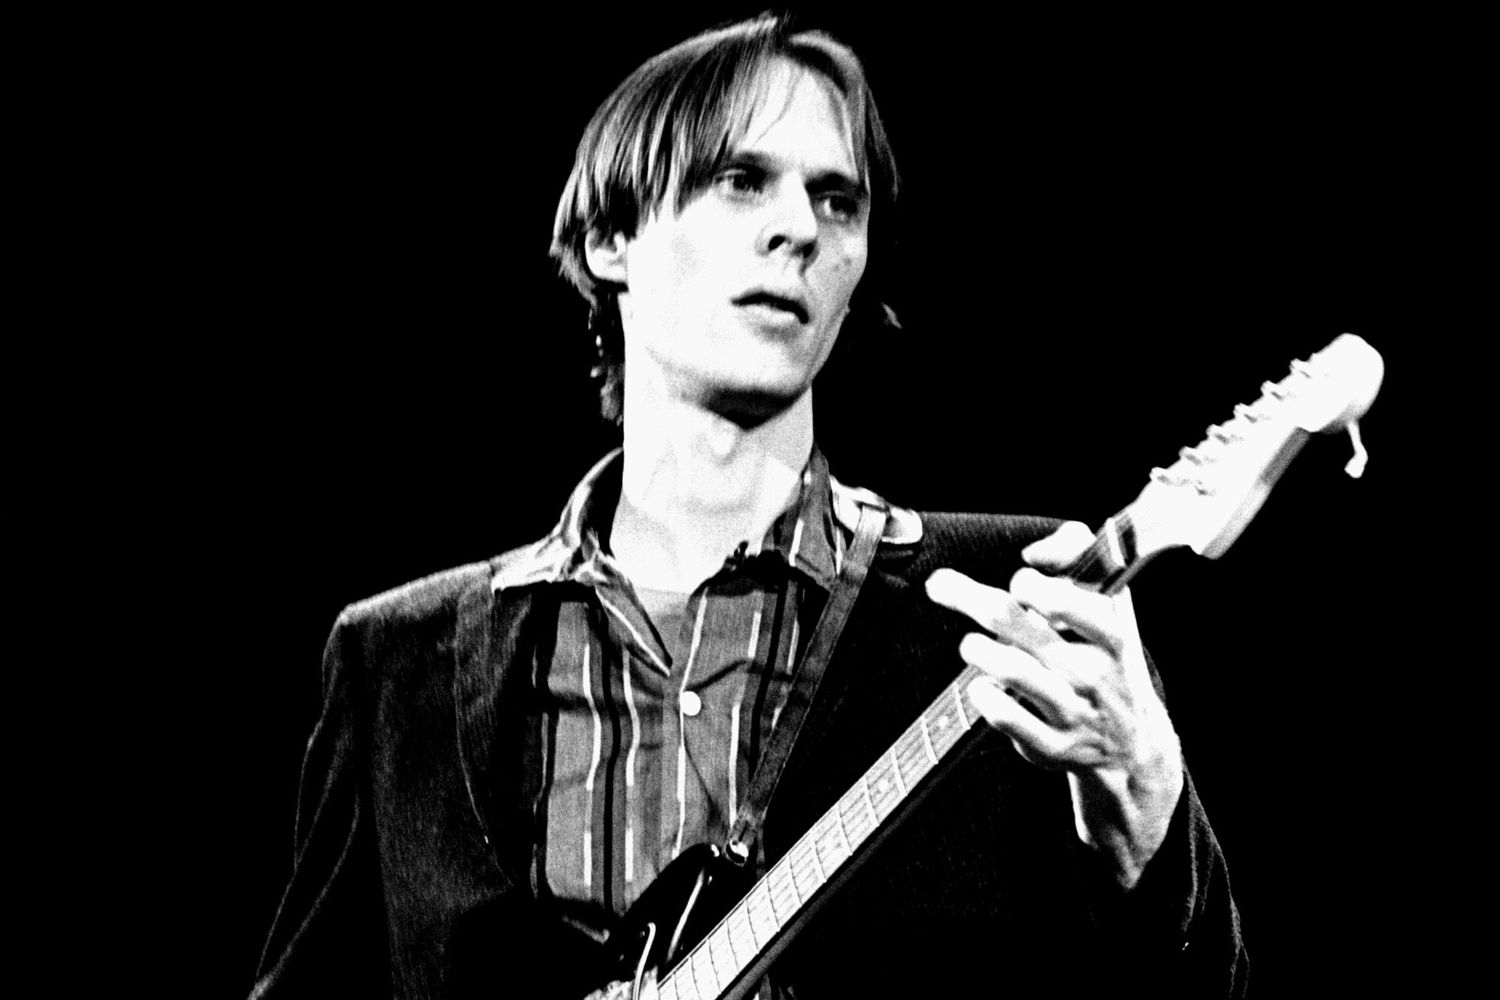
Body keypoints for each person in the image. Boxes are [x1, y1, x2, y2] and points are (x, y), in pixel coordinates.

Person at [250, 15, 1246, 999]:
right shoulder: (396, 660)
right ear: (611, 237)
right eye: (741, 179)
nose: (802, 227)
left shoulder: (1011, 608)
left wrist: (1147, 794)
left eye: (837, 199)